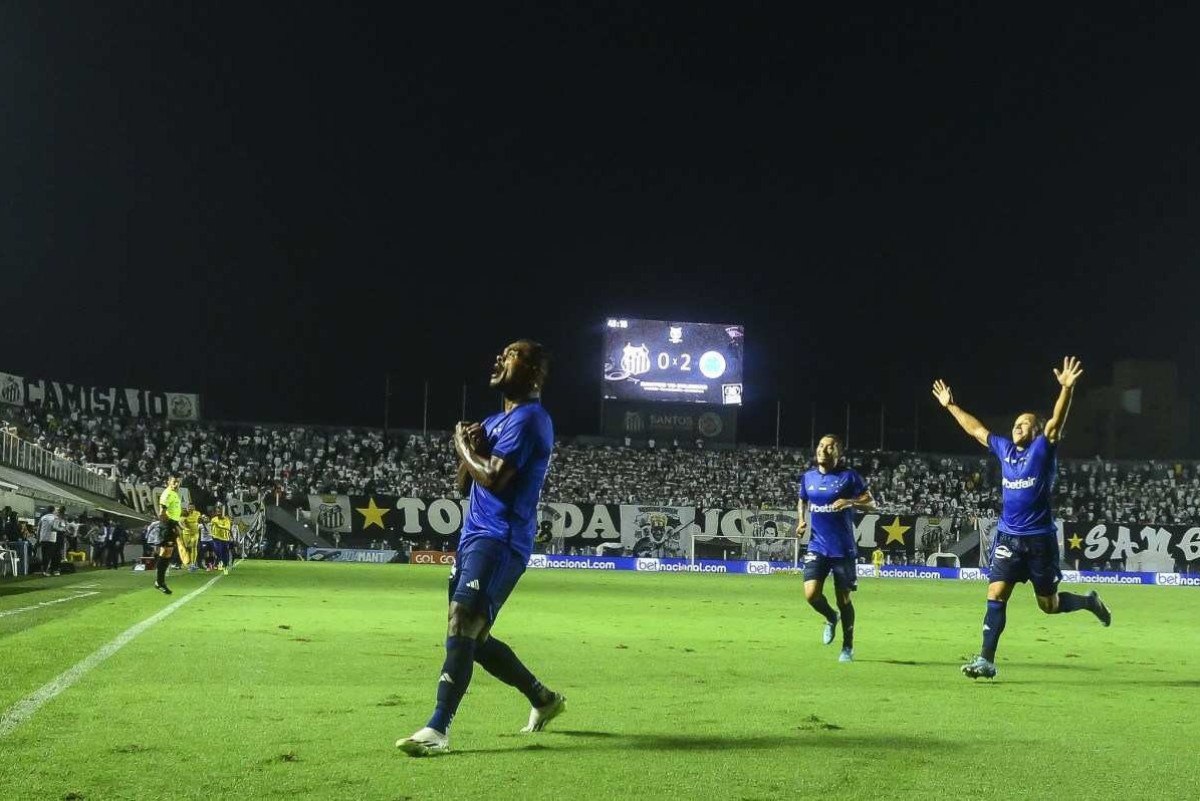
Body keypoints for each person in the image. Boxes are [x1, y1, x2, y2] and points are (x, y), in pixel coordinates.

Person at [398, 340, 565, 757]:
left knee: (463, 623)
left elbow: (493, 478)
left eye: (510, 355)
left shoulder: (531, 421)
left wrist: (462, 444)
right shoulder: (495, 421)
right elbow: (464, 482)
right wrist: (471, 446)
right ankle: (543, 699)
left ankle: (437, 728)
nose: (497, 358)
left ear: (533, 373)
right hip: (474, 538)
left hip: (502, 539)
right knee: (474, 635)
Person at [932, 356, 1111, 680]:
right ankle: (985, 659)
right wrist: (950, 406)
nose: (1018, 425)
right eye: (1016, 421)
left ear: (1037, 430)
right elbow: (976, 430)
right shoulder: (1004, 449)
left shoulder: (1043, 448)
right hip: (1009, 537)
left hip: (1040, 541)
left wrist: (1066, 390)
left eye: (1025, 422)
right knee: (995, 594)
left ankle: (1088, 602)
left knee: (1049, 605)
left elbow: (1057, 421)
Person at [795, 435, 877, 663]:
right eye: (821, 445)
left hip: (843, 549)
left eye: (830, 447)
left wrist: (850, 502)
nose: (824, 449)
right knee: (811, 595)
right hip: (817, 545)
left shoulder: (849, 477)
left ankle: (847, 647)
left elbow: (872, 503)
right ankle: (831, 617)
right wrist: (801, 520)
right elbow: (802, 499)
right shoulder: (808, 478)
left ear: (838, 453)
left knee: (844, 600)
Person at [154, 476, 183, 594]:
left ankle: (160, 581)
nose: (176, 484)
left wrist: (178, 525)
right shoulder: (167, 494)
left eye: (178, 482)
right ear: (168, 482)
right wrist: (171, 526)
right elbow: (162, 513)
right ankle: (159, 582)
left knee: (168, 552)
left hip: (172, 524)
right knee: (166, 551)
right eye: (174, 482)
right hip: (167, 525)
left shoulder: (175, 494)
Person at [36, 505, 68, 576]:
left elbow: (38, 529)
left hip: (44, 538)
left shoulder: (43, 517)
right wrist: (63, 530)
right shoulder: (57, 518)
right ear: (54, 511)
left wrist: (38, 538)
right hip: (52, 538)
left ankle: (46, 570)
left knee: (46, 555)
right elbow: (58, 528)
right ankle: (53, 570)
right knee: (54, 555)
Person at [209, 505, 232, 575]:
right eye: (217, 512)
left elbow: (228, 528)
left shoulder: (226, 519)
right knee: (217, 550)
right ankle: (220, 562)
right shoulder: (213, 519)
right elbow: (211, 527)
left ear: (223, 512)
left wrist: (219, 526)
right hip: (216, 538)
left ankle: (225, 567)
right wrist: (211, 534)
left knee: (225, 553)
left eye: (220, 512)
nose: (219, 513)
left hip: (225, 538)